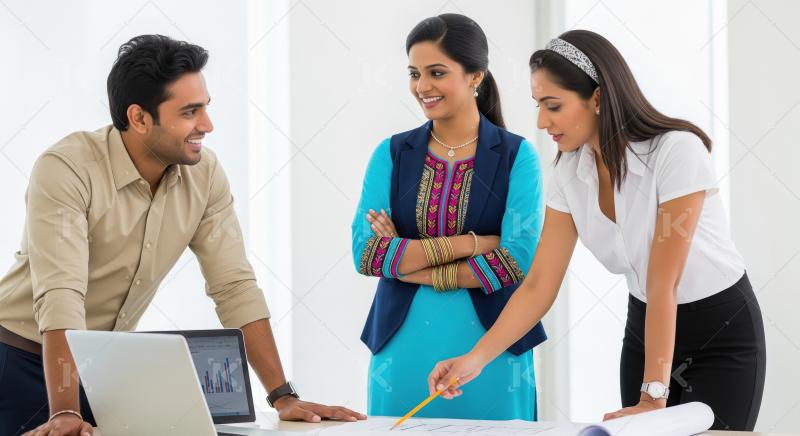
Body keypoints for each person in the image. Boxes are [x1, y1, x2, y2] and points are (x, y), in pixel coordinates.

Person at [0, 34, 365, 436]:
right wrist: (64, 411)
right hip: (16, 359)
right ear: (139, 118)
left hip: (100, 371)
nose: (207, 125)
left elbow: (234, 286)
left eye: (205, 107)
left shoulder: (204, 174)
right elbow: (61, 294)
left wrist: (283, 396)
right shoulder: (67, 168)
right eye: (190, 112)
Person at [428, 30, 767, 431]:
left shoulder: (676, 151)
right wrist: (474, 359)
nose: (541, 122)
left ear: (598, 97)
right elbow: (538, 285)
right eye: (538, 106)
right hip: (645, 328)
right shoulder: (569, 172)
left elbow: (665, 281)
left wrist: (651, 397)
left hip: (720, 331)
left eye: (553, 106)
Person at [352, 14, 546, 421]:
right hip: (402, 344)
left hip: (492, 343)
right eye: (414, 73)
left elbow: (515, 262)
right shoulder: (392, 153)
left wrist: (407, 261)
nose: (422, 87)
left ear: (475, 76)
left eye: (436, 72)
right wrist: (474, 243)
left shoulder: (516, 157)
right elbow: (366, 254)